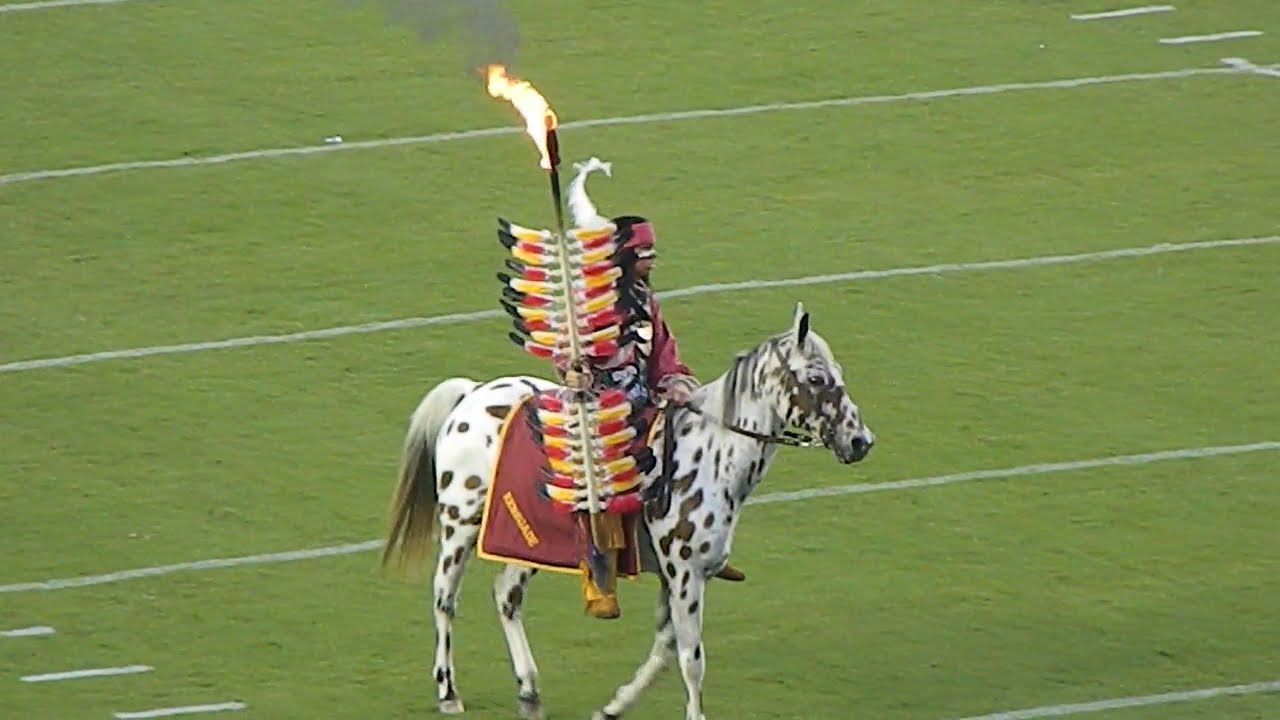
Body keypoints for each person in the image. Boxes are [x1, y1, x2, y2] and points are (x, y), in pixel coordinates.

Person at [557, 213, 746, 621]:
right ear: (623, 256)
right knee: (604, 478)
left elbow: (662, 350)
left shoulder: (644, 300)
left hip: (646, 404)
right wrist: (575, 372)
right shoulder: (588, 304)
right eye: (644, 252)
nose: (652, 259)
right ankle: (599, 576)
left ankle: (703, 548)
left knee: (697, 445)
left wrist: (675, 380)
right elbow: (567, 352)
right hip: (598, 410)